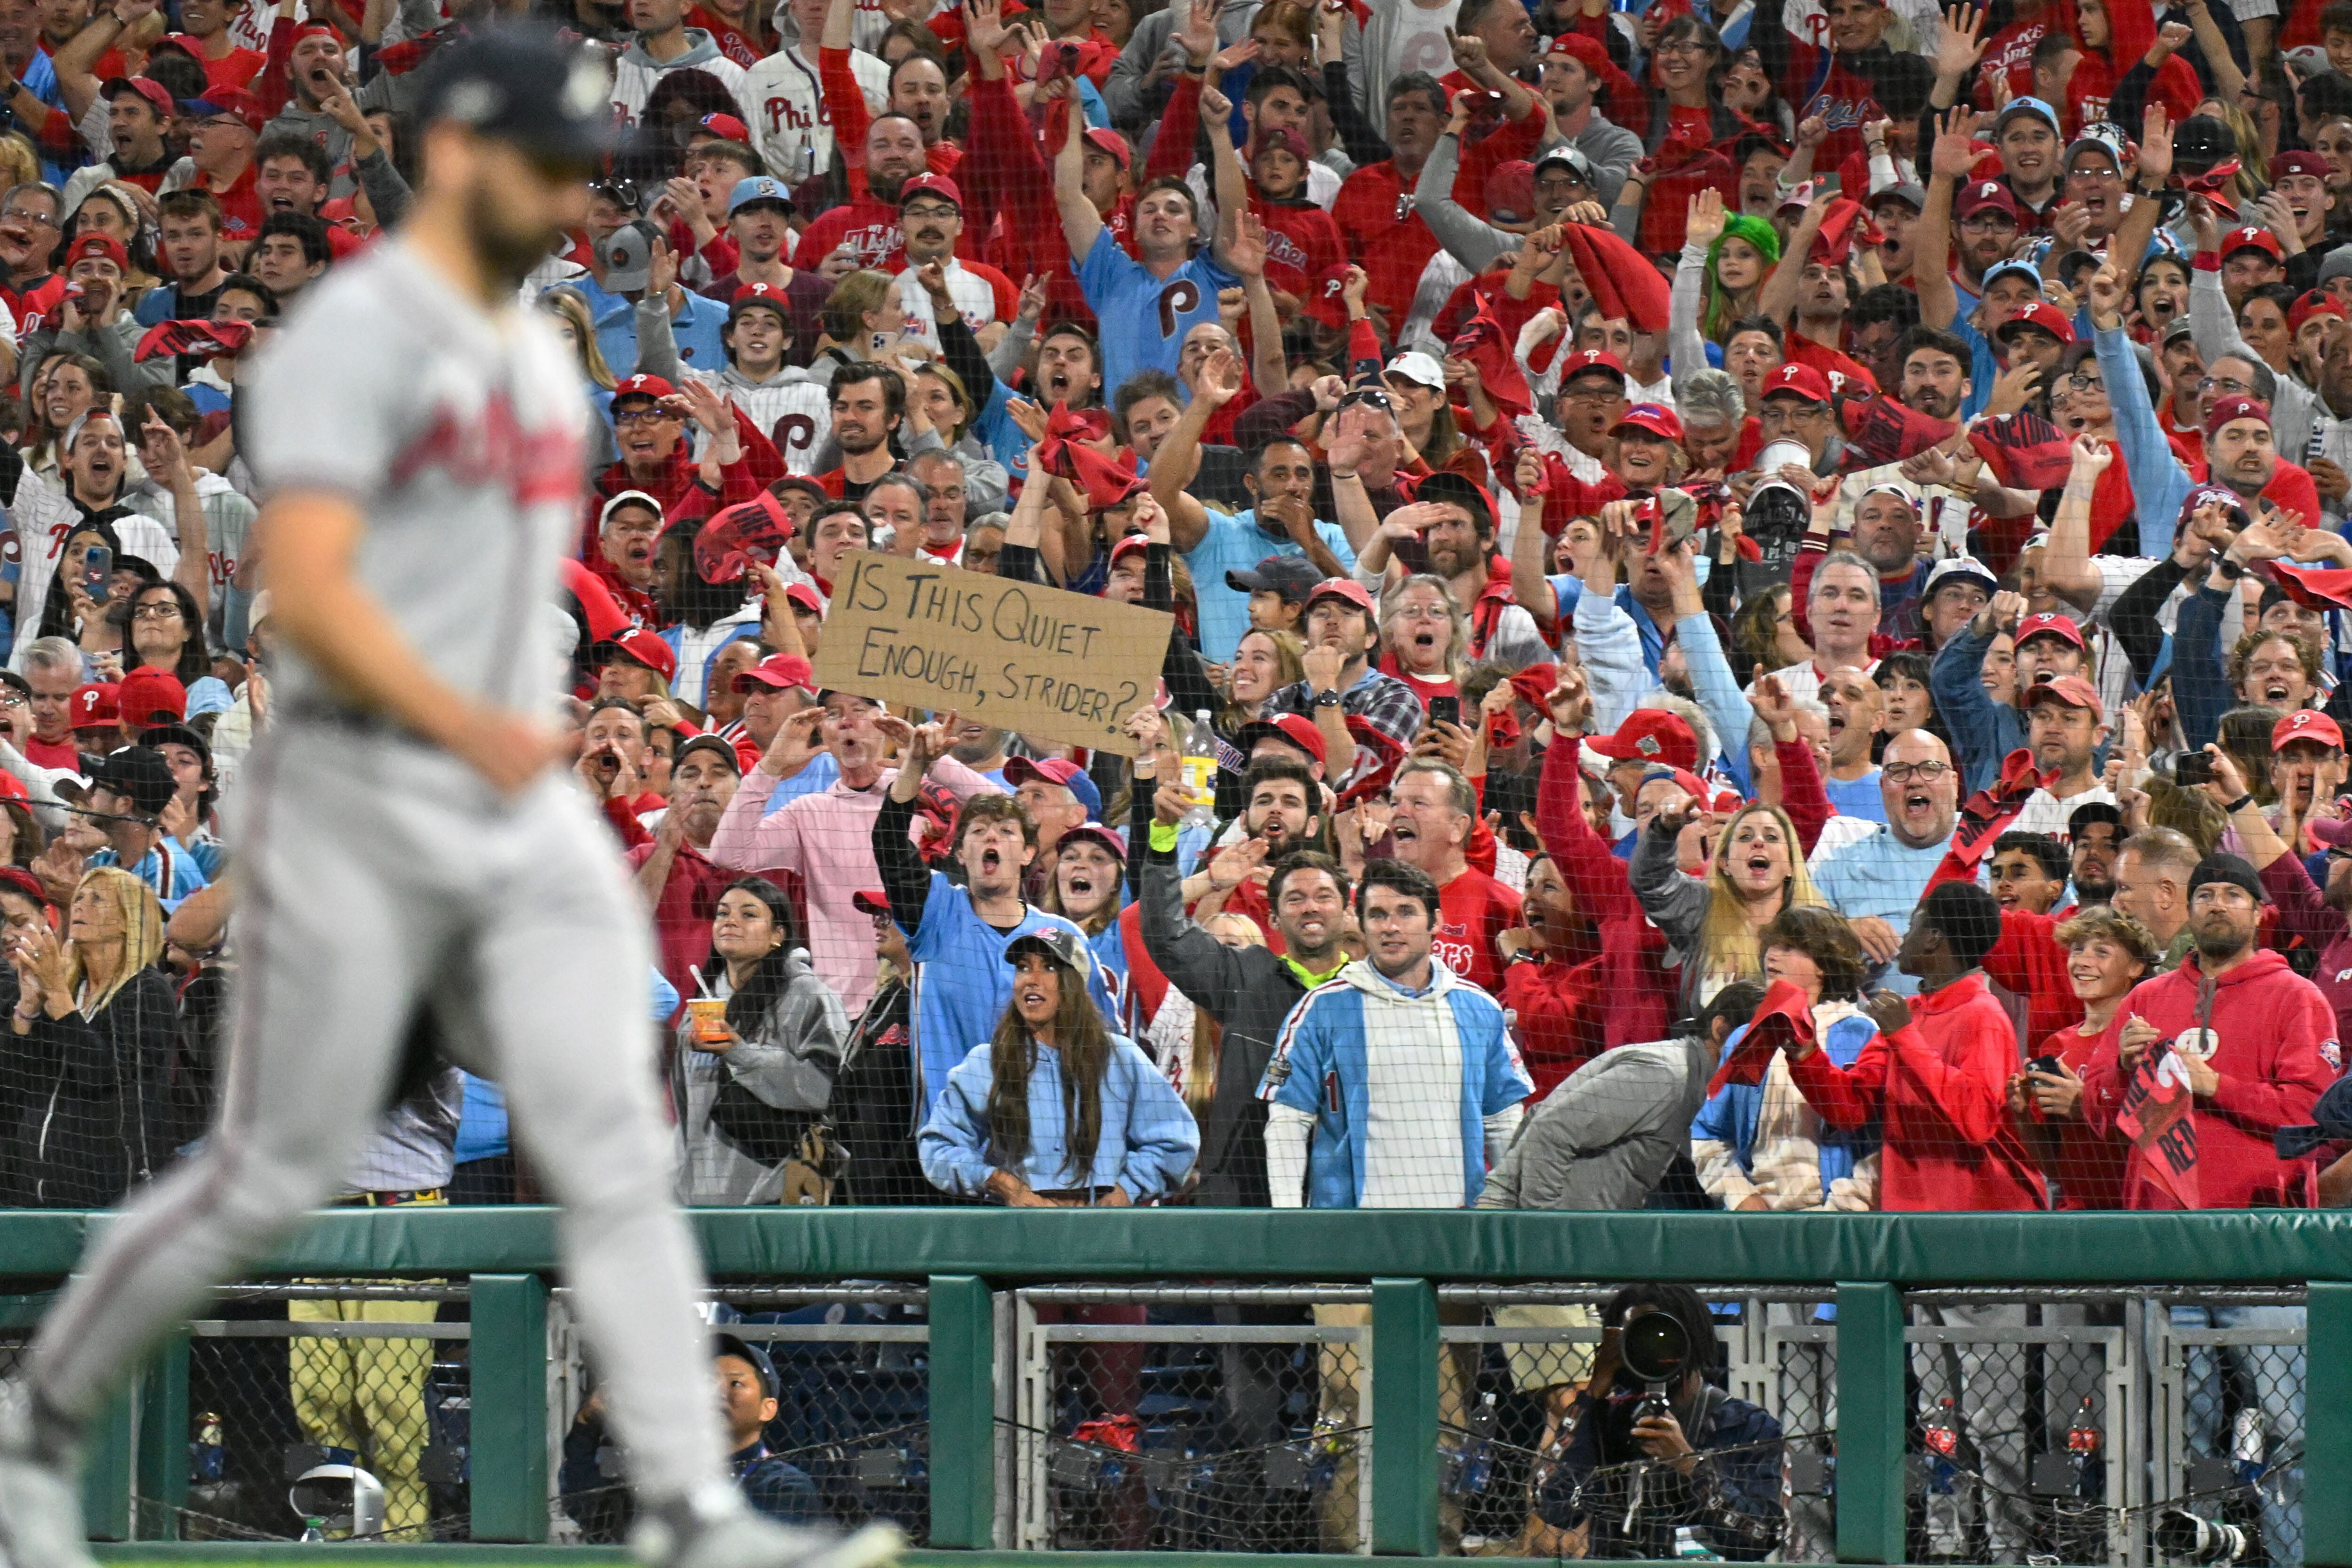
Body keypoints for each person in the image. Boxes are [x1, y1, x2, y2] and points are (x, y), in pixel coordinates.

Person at [0, 33, 901, 1568]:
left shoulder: (542, 372)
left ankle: (691, 1508)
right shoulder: (350, 341)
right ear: (465, 155)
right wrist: (470, 729)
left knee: (615, 1137)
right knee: (276, 1171)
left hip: (501, 789)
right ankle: (36, 1429)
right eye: (546, 163)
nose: (568, 197)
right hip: (358, 778)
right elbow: (312, 595)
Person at [1784, 881, 2045, 1211]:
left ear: (1933, 937)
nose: (1905, 938)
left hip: (1984, 1216)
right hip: (1912, 1212)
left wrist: (1904, 1037)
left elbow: (1977, 1121)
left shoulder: (1984, 1016)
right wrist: (1805, 1054)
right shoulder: (1907, 1013)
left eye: (1913, 927)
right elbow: (1851, 1109)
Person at [917, 925, 1198, 1205]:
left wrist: (1125, 1192)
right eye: (1023, 968)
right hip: (1020, 1231)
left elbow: (1177, 1142)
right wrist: (1002, 1184)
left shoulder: (1121, 1058)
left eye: (1049, 968)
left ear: (1074, 984)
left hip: (1105, 1231)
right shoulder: (987, 1063)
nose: (1031, 979)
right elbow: (938, 1148)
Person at [1531, 1284, 1785, 1560]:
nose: (1651, 1352)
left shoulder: (1745, 1425)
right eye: (1636, 1340)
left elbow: (1760, 1536)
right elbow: (1554, 1507)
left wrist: (1690, 1464)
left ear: (1690, 1340)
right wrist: (1592, 1396)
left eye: (1662, 1338)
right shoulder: (1608, 1419)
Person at [0, 865, 176, 1209]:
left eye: (98, 899)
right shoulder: (69, 987)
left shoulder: (147, 992)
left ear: (129, 920)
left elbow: (103, 1074)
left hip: (113, 1202)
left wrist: (58, 998)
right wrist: (28, 1007)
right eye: (79, 897)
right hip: (33, 1198)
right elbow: (15, 1079)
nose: (80, 905)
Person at [671, 876, 847, 1206]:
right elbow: (686, 1111)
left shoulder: (809, 997)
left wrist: (741, 1054)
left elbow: (825, 1088)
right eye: (723, 914)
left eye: (749, 915)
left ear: (777, 935)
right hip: (700, 1196)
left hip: (780, 1193)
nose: (731, 921)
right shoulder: (701, 1010)